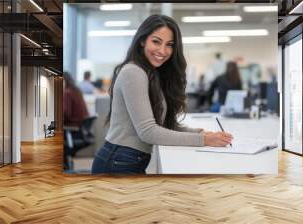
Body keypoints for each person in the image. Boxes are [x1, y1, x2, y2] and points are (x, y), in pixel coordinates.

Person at [91, 14, 232, 174]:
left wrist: (200, 133)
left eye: (169, 44)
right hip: (117, 161)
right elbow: (148, 132)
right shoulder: (134, 72)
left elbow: (164, 126)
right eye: (156, 41)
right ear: (142, 40)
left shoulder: (150, 73)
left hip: (127, 160)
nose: (163, 51)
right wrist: (203, 140)